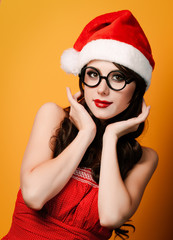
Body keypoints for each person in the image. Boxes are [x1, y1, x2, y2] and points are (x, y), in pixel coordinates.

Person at [2, 10, 158, 240]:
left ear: (137, 89)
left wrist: (111, 137)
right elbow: (34, 195)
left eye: (117, 77)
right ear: (82, 79)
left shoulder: (144, 158)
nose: (102, 89)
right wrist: (86, 134)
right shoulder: (52, 116)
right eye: (93, 74)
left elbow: (111, 217)